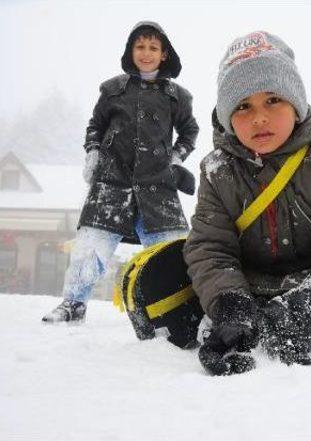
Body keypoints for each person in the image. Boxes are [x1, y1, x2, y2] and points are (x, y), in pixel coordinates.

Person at [183, 31, 311, 375]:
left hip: (310, 295)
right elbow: (210, 248)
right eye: (243, 106)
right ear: (227, 117)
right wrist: (230, 304)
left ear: (296, 105)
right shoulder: (217, 171)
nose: (259, 117)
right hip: (249, 297)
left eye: (273, 100)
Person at [42, 21, 199, 323]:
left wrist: (177, 158)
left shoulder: (177, 95)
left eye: (153, 47)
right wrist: (92, 152)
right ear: (131, 51)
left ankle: (183, 312)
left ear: (164, 54)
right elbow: (95, 127)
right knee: (89, 249)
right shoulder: (112, 90)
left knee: (175, 253)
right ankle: (73, 305)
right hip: (111, 184)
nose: (146, 53)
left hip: (158, 188)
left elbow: (189, 131)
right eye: (140, 46)